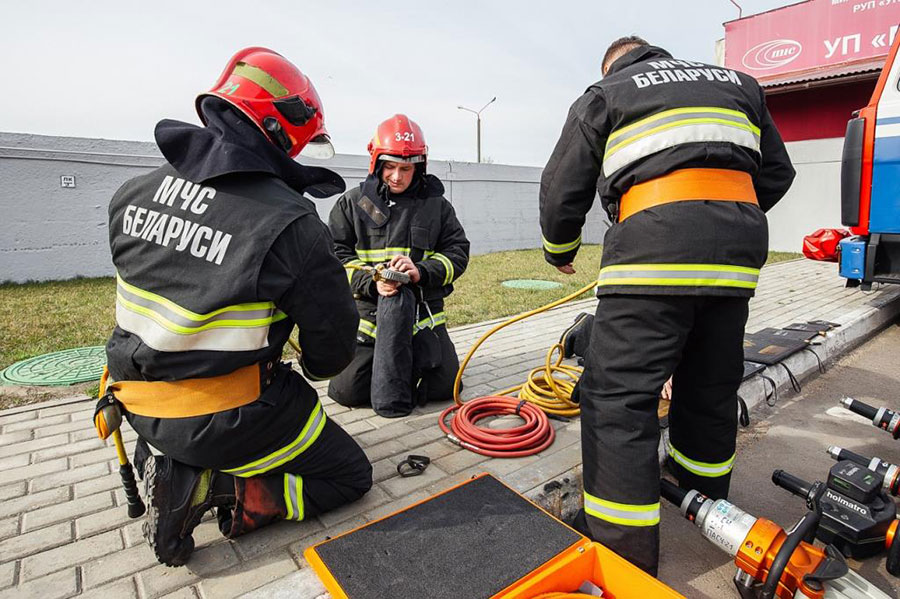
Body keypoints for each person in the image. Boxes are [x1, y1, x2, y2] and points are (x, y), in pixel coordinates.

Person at [103, 47, 372, 566]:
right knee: (350, 475)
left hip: (134, 402)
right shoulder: (291, 225)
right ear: (282, 132)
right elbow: (331, 353)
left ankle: (161, 457)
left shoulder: (131, 194)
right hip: (225, 416)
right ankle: (223, 489)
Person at [539, 36, 795, 574]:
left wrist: (560, 248)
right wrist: (718, 216)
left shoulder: (607, 92)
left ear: (614, 63)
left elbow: (563, 185)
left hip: (652, 258)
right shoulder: (738, 85)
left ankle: (621, 550)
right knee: (709, 383)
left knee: (618, 398)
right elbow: (776, 173)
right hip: (734, 261)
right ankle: (703, 503)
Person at [327, 114, 470, 417]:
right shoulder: (352, 204)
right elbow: (334, 256)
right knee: (347, 390)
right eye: (389, 167)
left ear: (419, 167)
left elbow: (457, 252)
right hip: (369, 312)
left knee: (445, 386)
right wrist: (372, 280)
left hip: (422, 311)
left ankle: (410, 370)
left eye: (406, 169)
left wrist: (422, 271)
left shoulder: (437, 206)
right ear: (376, 162)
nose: (396, 176)